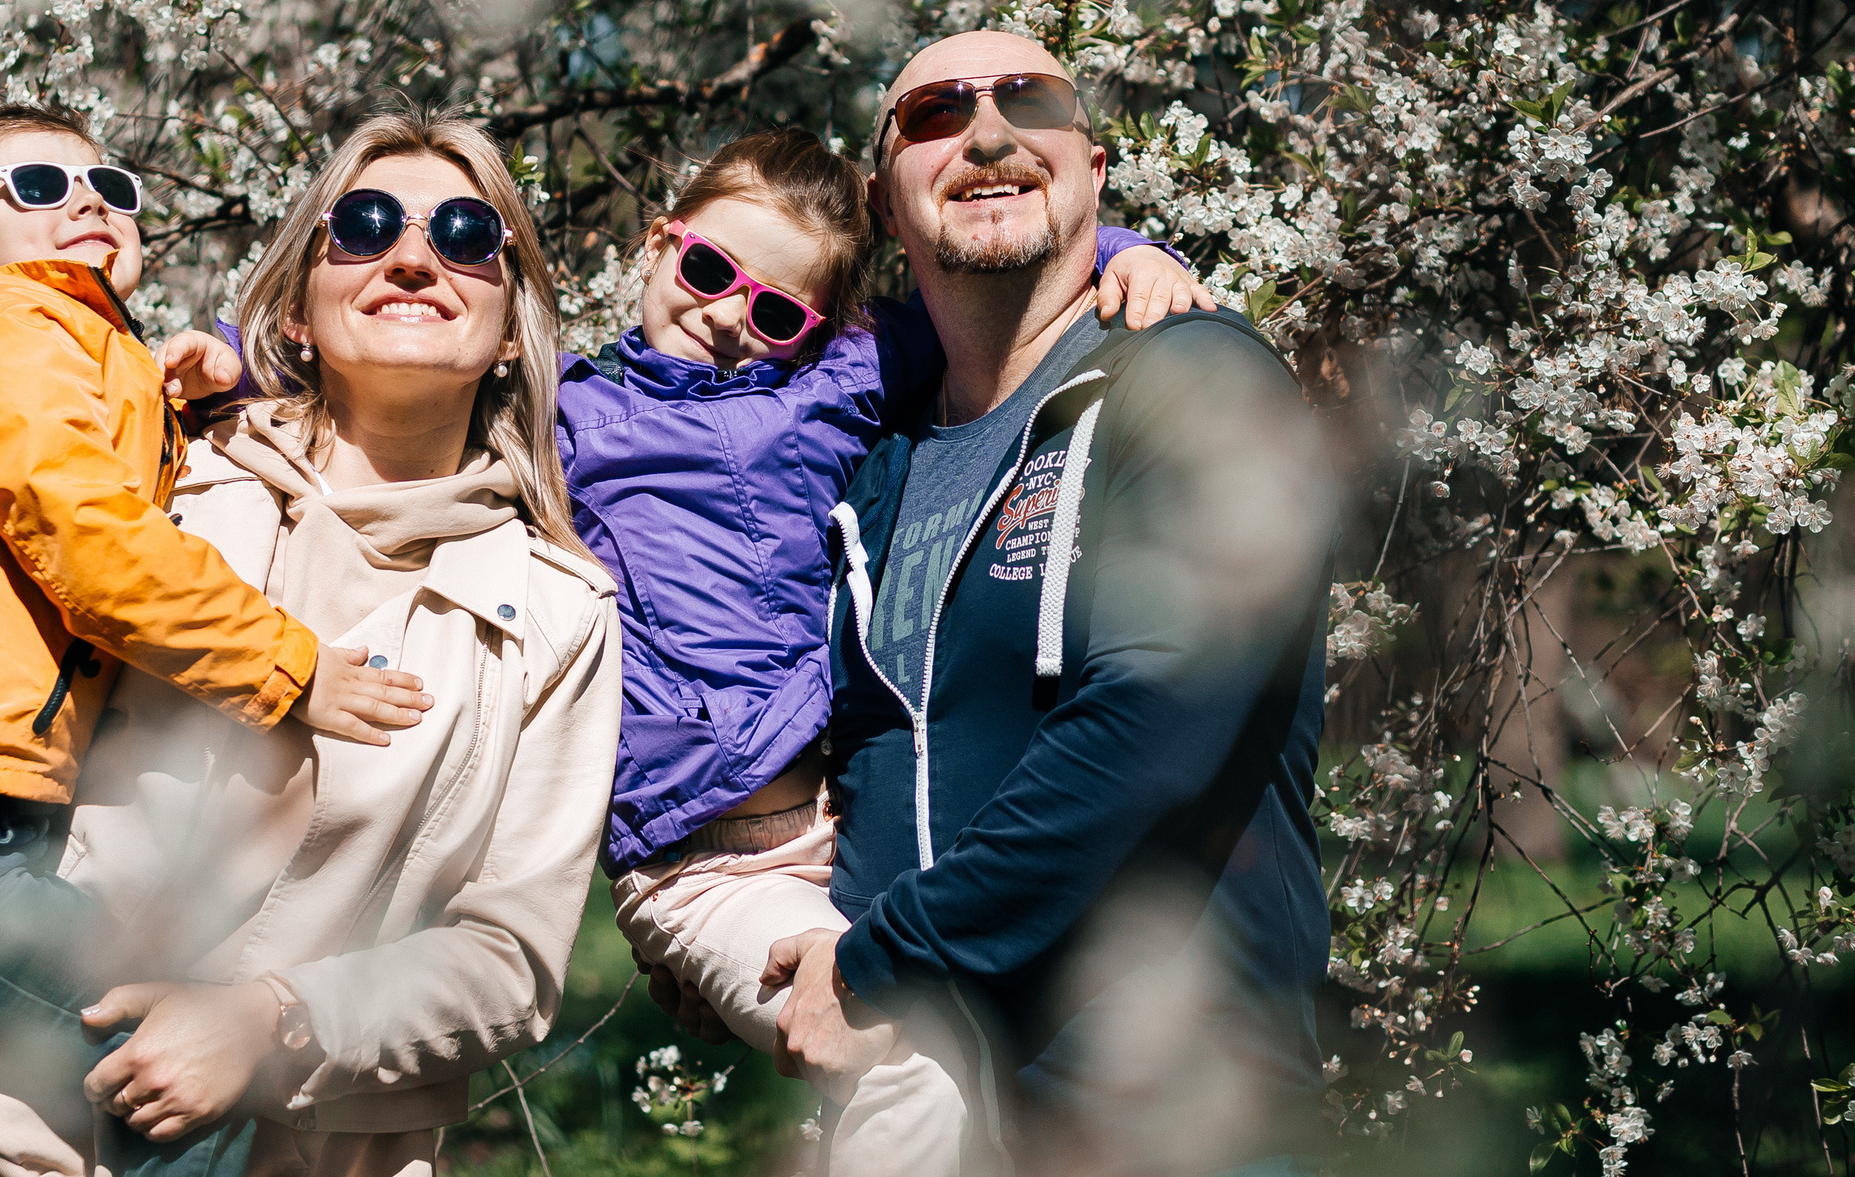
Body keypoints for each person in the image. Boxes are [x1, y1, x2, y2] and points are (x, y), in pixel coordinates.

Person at [161, 128, 1208, 1174]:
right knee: (909, 1060)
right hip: (700, 866)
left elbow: (989, 287)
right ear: (662, 241)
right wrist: (227, 352)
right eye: (707, 271)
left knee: (1007, 1046)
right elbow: (391, 349)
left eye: (775, 312)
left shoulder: (834, 387)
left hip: (853, 828)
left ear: (815, 329)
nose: (723, 318)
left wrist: (1120, 251)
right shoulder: (559, 414)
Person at [0, 109, 622, 1177]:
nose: (412, 255)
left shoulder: (557, 613)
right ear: (296, 309)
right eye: (367, 223)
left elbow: (509, 963)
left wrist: (274, 1018)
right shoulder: (152, 487)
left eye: (467, 236)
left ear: (510, 322)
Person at [762, 34, 1339, 1177]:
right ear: (882, 202)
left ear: (1094, 171)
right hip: (937, 1122)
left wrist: (882, 964)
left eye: (1030, 102)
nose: (986, 135)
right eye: (934, 113)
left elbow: (1153, 727)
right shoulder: (874, 469)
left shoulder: (1190, 382)